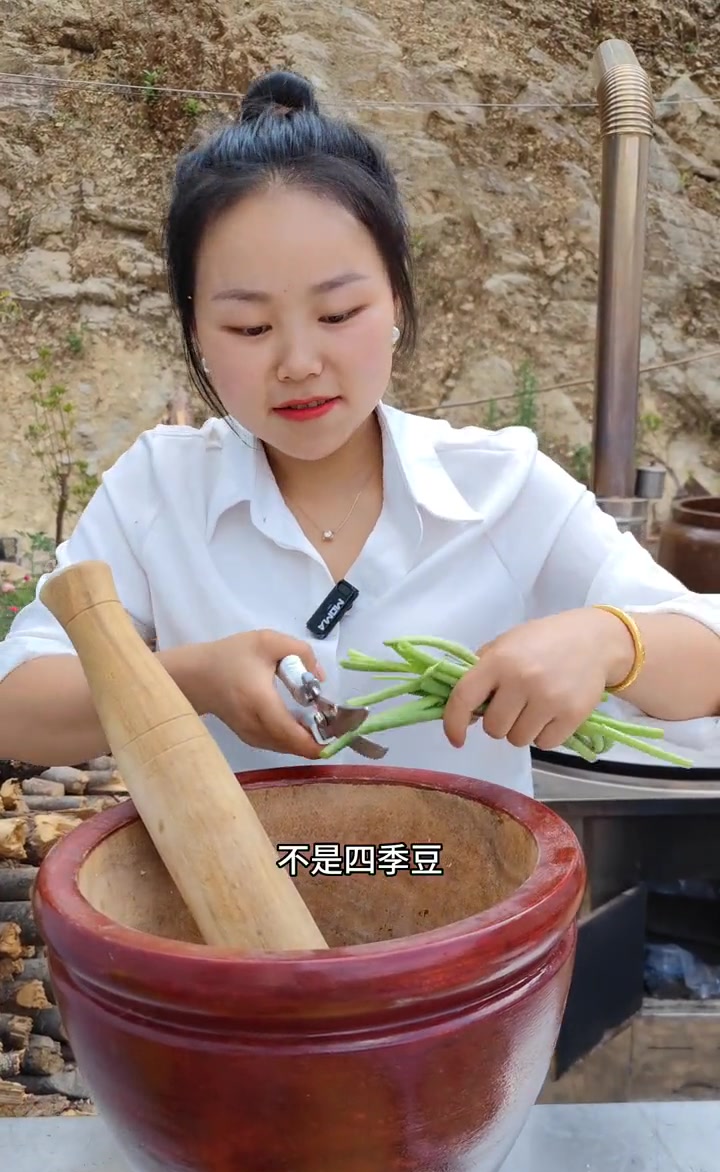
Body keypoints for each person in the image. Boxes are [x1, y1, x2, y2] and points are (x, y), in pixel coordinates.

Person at [0, 69, 719, 797]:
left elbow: (708, 654)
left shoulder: (501, 486)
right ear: (197, 332)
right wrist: (190, 678)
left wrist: (608, 643)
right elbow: (17, 704)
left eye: (339, 314)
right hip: (233, 905)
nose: (300, 363)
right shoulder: (159, 490)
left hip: (463, 901)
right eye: (249, 327)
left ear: (396, 300)